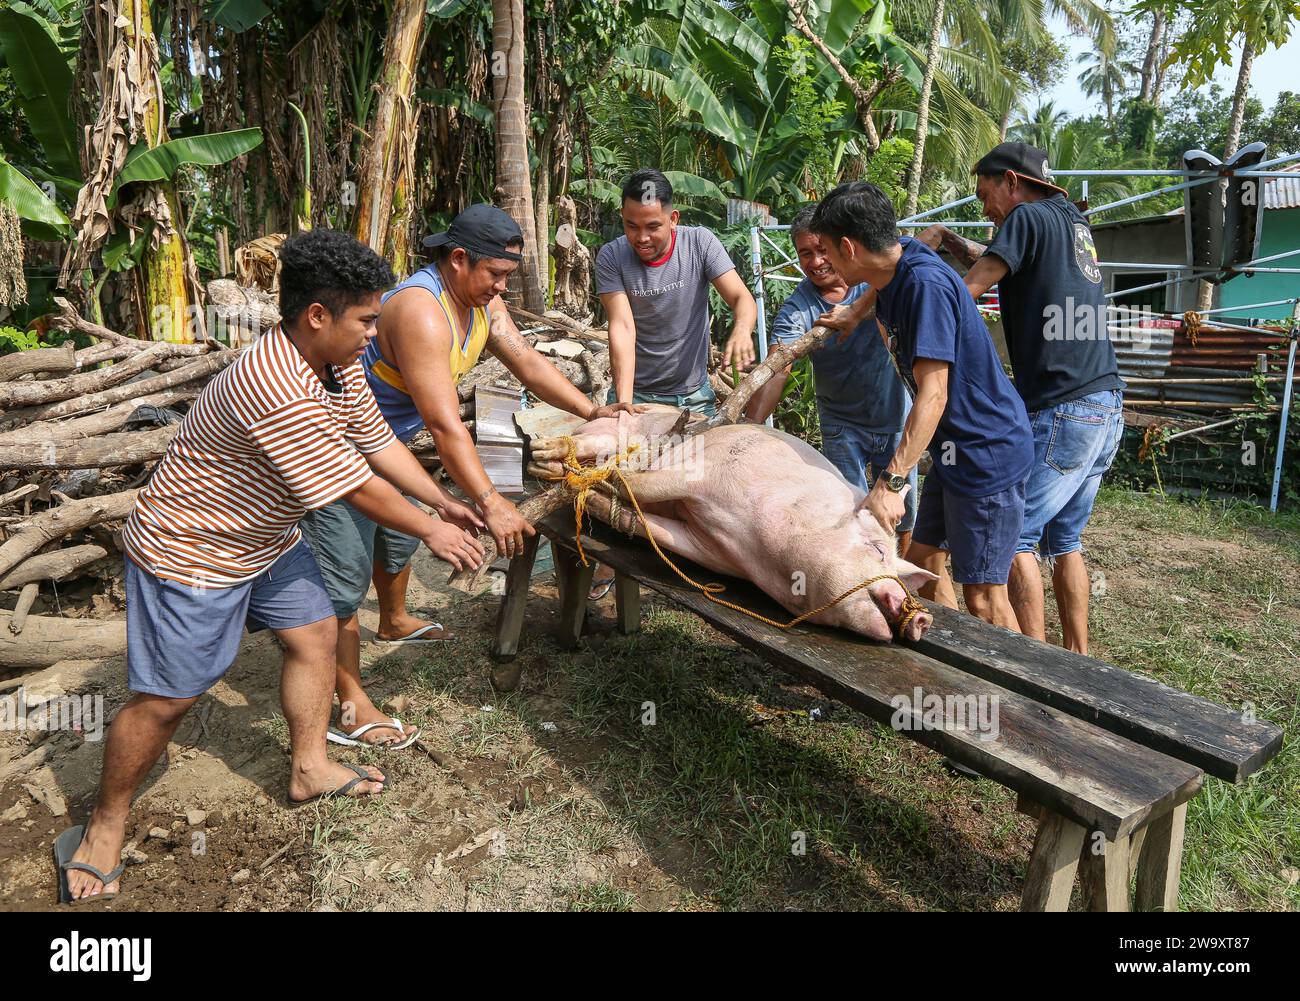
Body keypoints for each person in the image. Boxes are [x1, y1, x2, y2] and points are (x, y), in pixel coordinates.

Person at [58, 230, 486, 902]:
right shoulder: (275, 384)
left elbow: (374, 440)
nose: (375, 335)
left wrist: (443, 501)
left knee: (315, 632)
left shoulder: (337, 362)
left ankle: (309, 766)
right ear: (318, 315)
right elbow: (352, 483)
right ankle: (104, 826)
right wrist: (432, 526)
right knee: (168, 701)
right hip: (194, 549)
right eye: (367, 320)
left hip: (265, 537)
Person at [299, 204, 638, 747]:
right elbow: (443, 421)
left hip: (389, 445)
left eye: (508, 276)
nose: (501, 288)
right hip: (336, 451)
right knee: (343, 574)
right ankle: (349, 698)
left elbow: (526, 362)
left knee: (397, 542)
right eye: (495, 275)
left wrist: (590, 411)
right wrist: (490, 500)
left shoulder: (484, 304)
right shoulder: (420, 311)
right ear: (458, 260)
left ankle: (393, 619)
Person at [918, 142, 1125, 654]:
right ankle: (1078, 658)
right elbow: (995, 261)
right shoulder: (1070, 222)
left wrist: (915, 288)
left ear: (1012, 181)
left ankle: (1038, 667)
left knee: (1011, 540)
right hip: (1104, 403)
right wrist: (948, 239)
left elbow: (969, 286)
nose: (985, 207)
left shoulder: (1025, 217)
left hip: (1062, 407)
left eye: (986, 194)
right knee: (1065, 542)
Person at [811, 182, 1033, 630]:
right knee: (923, 564)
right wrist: (855, 313)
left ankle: (1019, 693)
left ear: (849, 247)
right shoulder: (898, 257)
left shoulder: (925, 288)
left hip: (986, 450)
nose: (825, 263)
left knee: (986, 596)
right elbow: (917, 242)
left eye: (828, 251)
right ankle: (954, 661)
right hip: (955, 448)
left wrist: (891, 482)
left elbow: (935, 395)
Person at [592, 167, 758, 595]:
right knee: (619, 487)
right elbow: (622, 327)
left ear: (674, 219)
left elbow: (742, 298)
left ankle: (692, 570)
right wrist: (625, 403)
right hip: (638, 392)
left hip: (692, 396)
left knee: (697, 486)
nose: (641, 237)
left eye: (652, 226)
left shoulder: (701, 243)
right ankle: (610, 565)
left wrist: (741, 330)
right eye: (631, 225)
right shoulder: (612, 256)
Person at [744, 205, 918, 553]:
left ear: (842, 246)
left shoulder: (873, 281)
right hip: (841, 424)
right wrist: (750, 424)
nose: (816, 261)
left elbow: (913, 247)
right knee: (849, 509)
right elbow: (780, 365)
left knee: (903, 513)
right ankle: (859, 582)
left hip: (896, 416)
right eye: (805, 253)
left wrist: (857, 312)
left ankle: (902, 575)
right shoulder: (798, 308)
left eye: (822, 250)